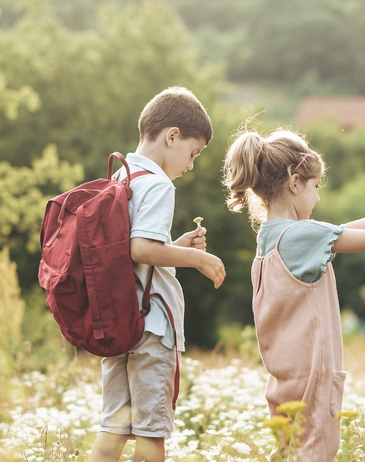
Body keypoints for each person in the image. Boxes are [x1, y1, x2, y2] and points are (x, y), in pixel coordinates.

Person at [221, 128, 365, 460]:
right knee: (316, 450)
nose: (318, 198)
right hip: (313, 374)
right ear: (295, 184)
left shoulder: (270, 236)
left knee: (289, 450)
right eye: (315, 186)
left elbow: (342, 231)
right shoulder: (300, 236)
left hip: (283, 375)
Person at [89, 87, 227, 462]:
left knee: (113, 428)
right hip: (152, 327)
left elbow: (133, 253)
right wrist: (196, 259)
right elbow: (141, 249)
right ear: (172, 136)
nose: (192, 164)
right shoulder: (160, 185)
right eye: (193, 152)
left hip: (119, 322)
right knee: (152, 432)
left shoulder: (120, 177)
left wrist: (175, 243)